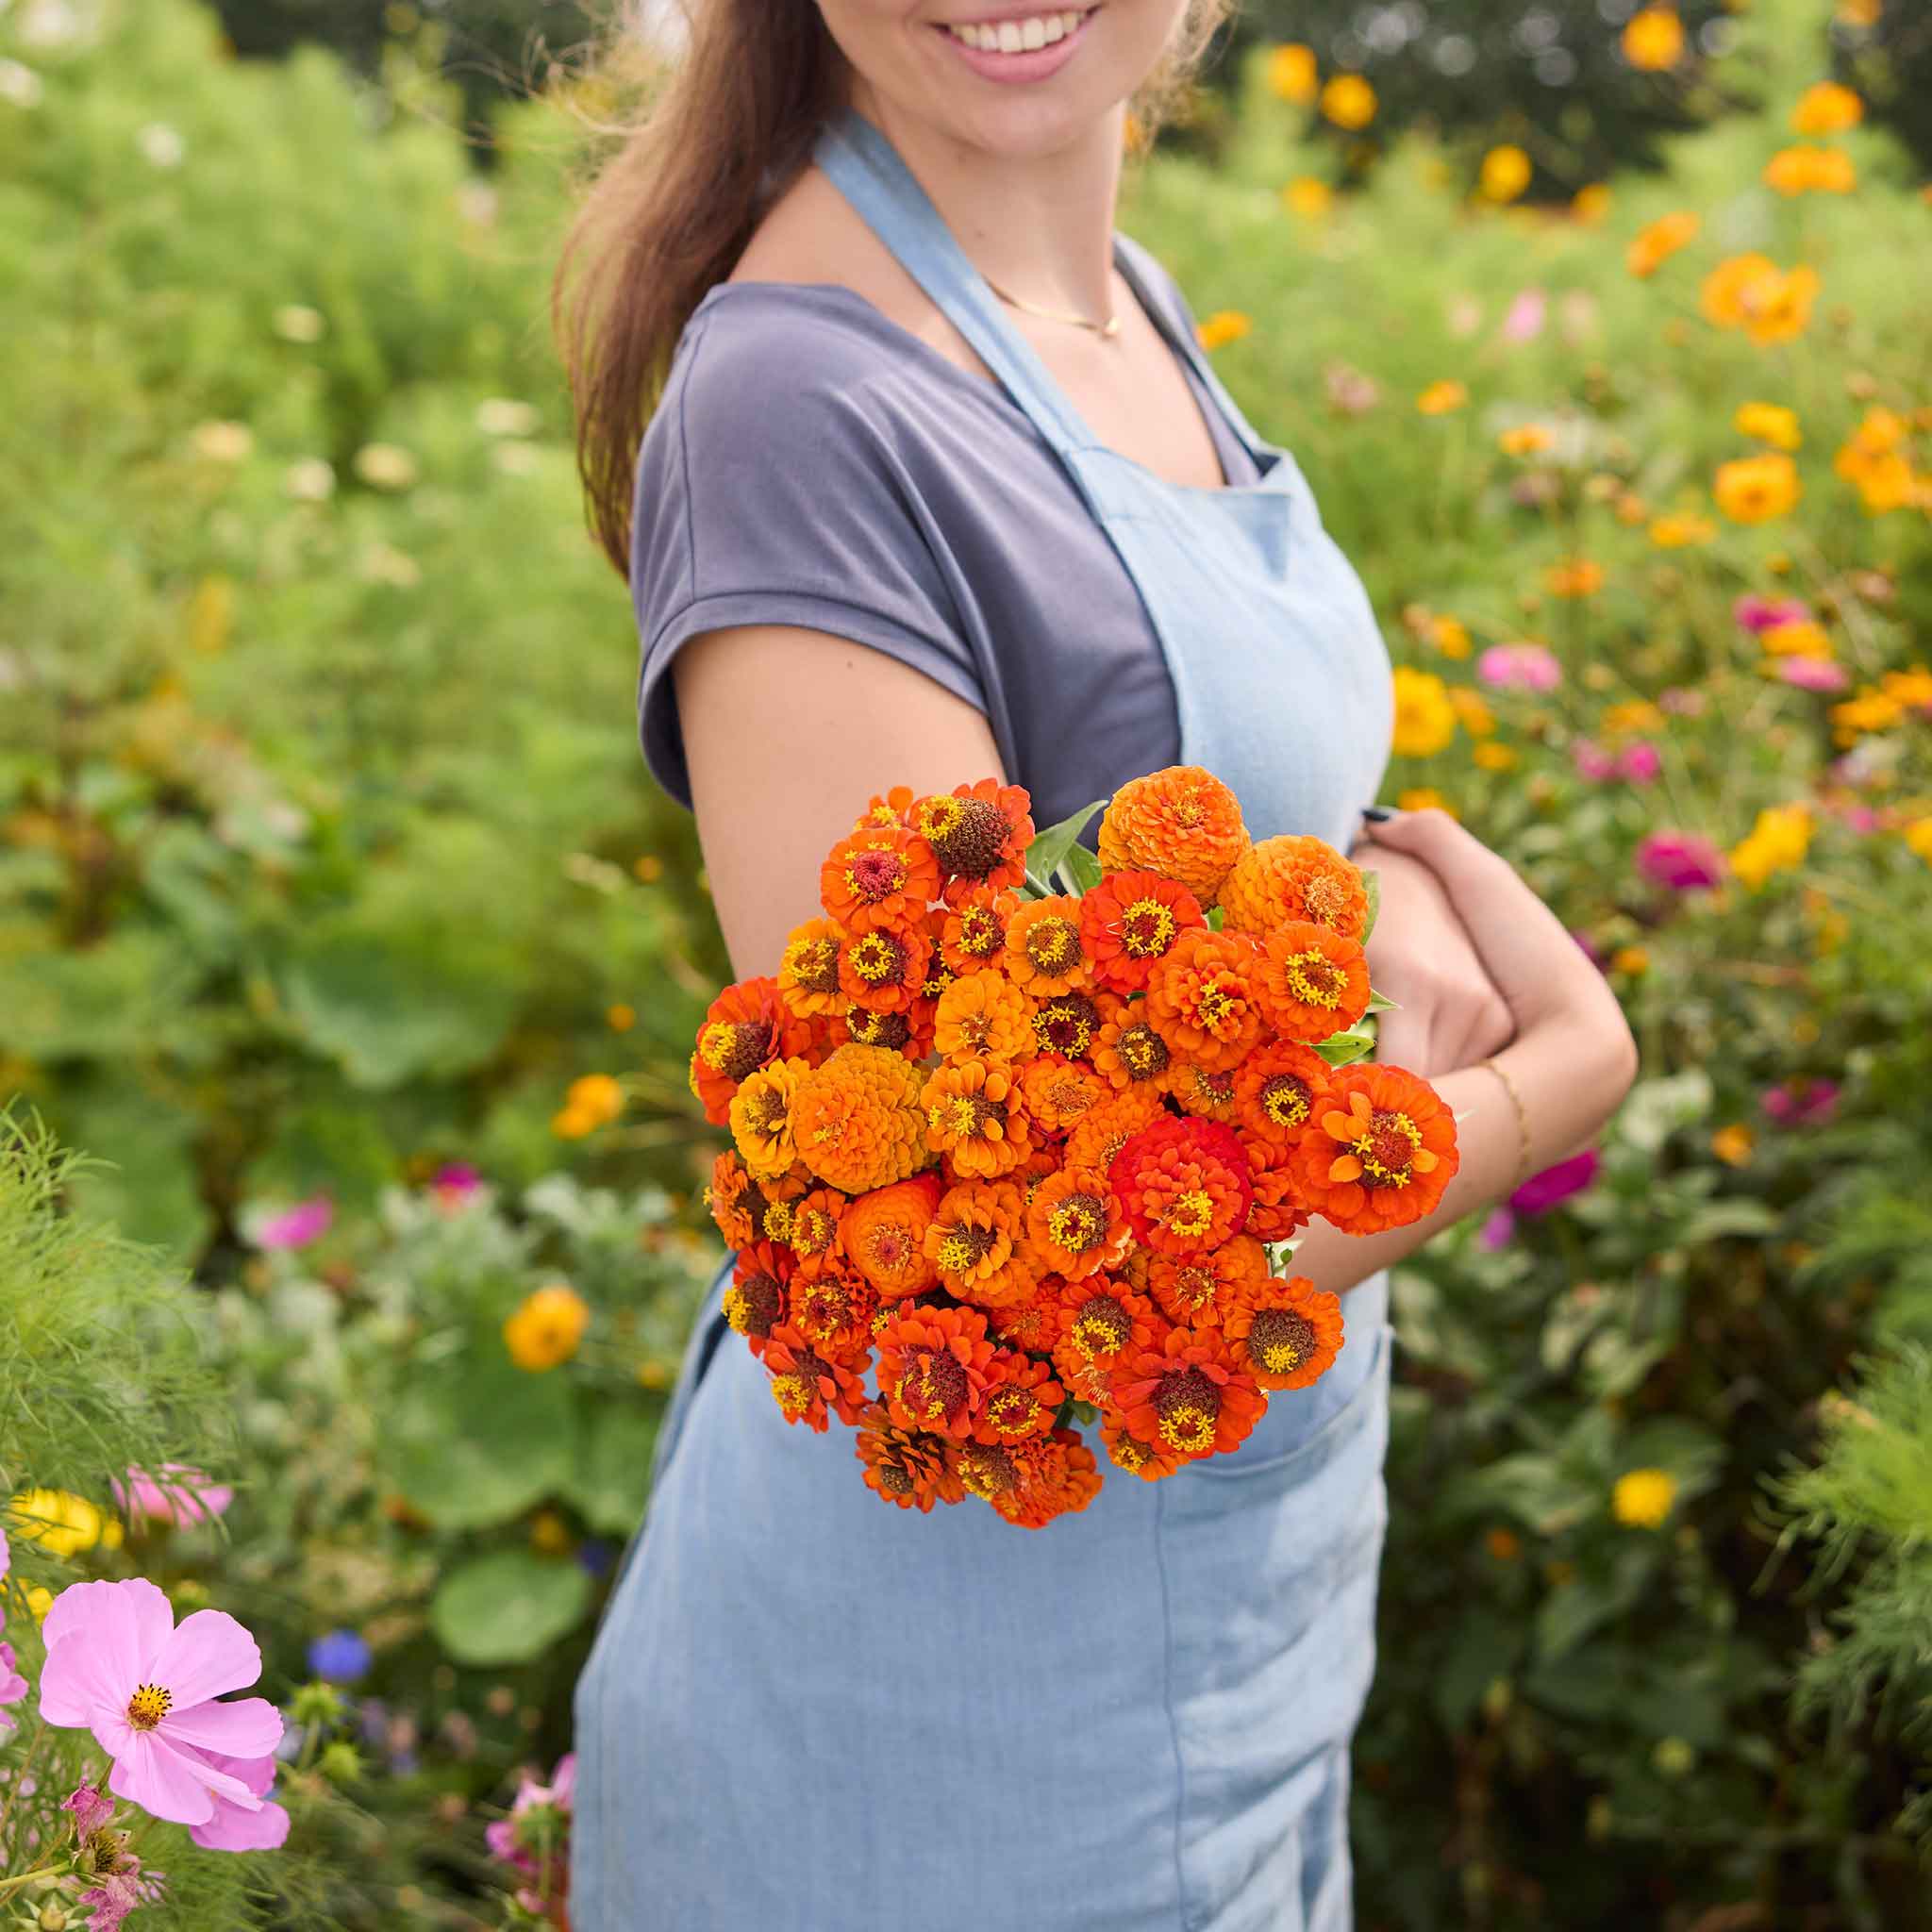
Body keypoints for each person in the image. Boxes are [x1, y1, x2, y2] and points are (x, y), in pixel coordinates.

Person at [554, 4, 1639, 1925]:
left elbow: (1156, 830)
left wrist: (1357, 878)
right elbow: (987, 1281)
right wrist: (1529, 1093)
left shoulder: (1115, 301)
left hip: (1223, 1625)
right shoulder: (803, 398)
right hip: (942, 1722)